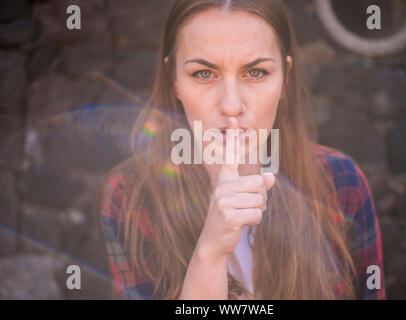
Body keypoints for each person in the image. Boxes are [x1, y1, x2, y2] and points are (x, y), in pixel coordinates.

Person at [97, 0, 385, 300]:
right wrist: (209, 254)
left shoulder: (340, 182)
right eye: (204, 74)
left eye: (257, 72)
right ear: (175, 81)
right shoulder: (130, 196)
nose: (232, 105)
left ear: (285, 78)